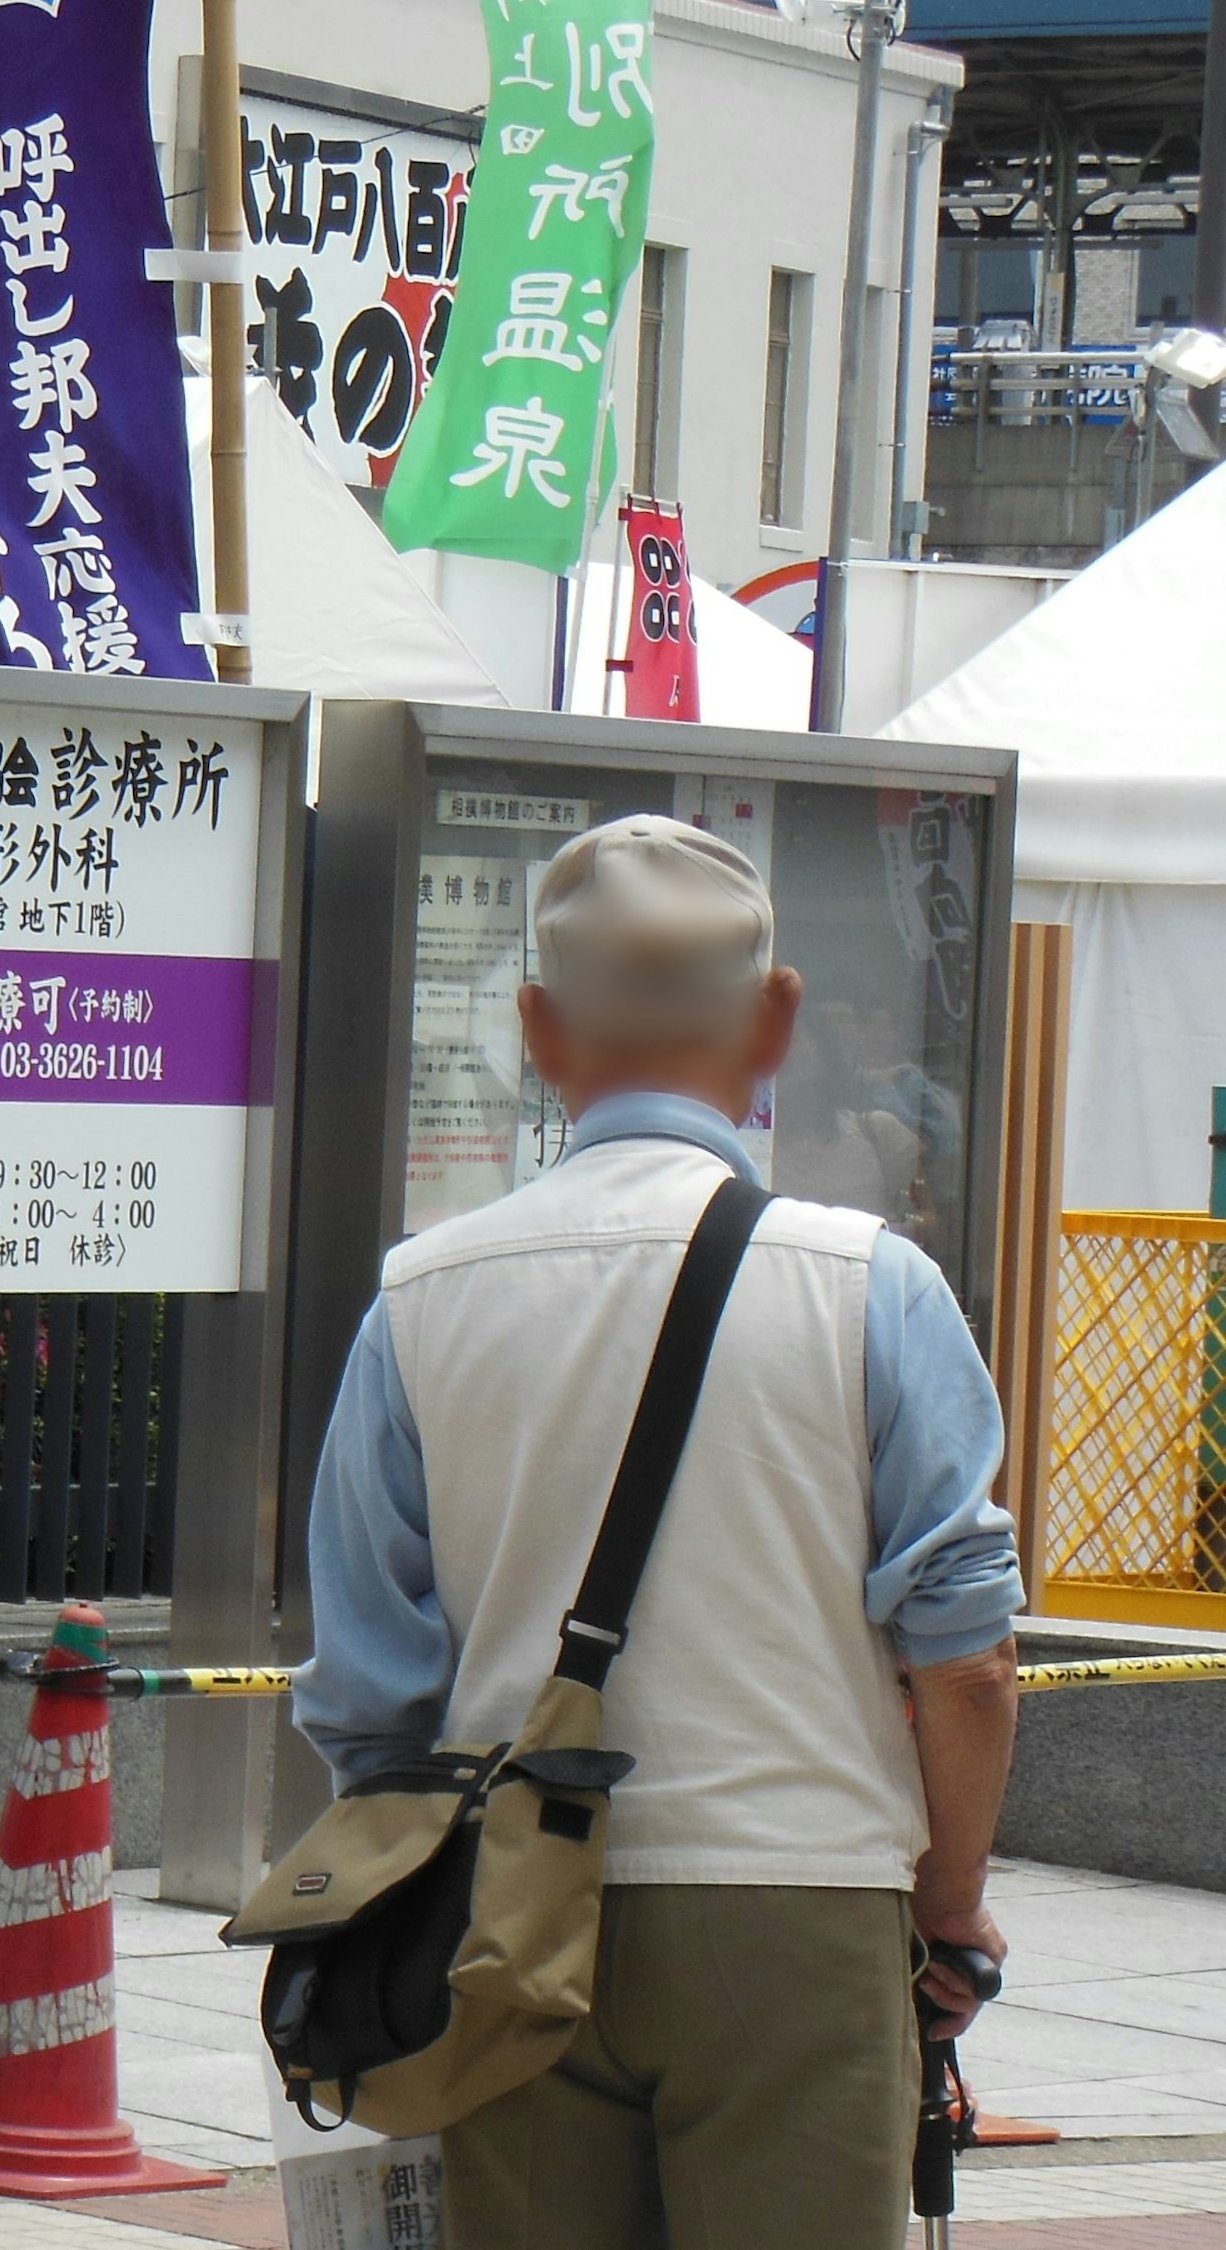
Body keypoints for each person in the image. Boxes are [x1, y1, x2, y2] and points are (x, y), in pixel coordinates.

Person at [297, 815, 1026, 2250]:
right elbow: (968, 1660)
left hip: (509, 1911)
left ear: (534, 1028)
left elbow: (370, 1694)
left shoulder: (421, 1296)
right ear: (777, 1021)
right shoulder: (871, 1288)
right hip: (798, 1905)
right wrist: (947, 1908)